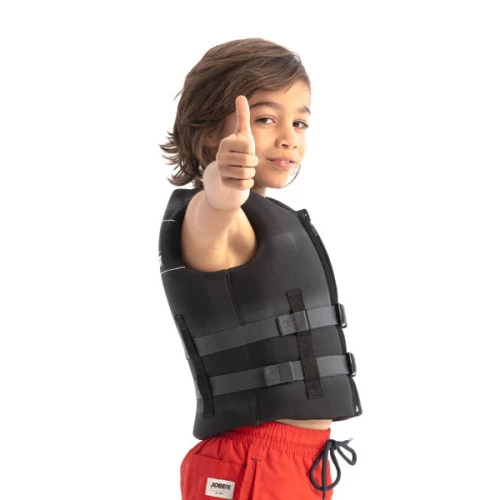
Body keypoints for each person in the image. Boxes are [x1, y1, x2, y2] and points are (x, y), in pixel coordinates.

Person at [158, 38, 362, 500]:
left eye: (300, 122)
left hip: (299, 463)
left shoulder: (266, 220)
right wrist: (221, 183)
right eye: (266, 119)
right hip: (253, 461)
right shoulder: (214, 219)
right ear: (208, 133)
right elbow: (215, 209)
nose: (288, 136)